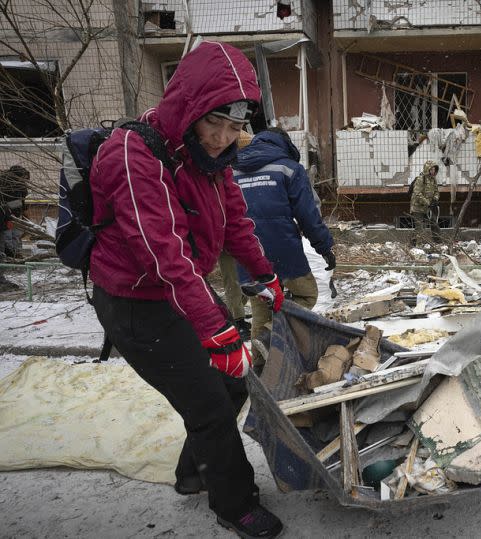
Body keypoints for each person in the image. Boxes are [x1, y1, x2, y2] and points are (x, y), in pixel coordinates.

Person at [87, 42, 285, 538]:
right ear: (191, 107)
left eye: (234, 127)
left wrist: (265, 274)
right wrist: (216, 331)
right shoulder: (133, 154)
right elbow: (163, 254)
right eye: (213, 122)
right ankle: (235, 504)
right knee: (210, 405)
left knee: (232, 380)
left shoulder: (205, 157)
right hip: (136, 302)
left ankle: (192, 472)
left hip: (179, 289)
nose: (222, 138)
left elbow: (236, 222)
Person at [232, 128, 335, 357]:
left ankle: (258, 366)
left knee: (260, 308)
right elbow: (308, 215)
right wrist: (324, 246)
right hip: (283, 248)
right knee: (306, 295)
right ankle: (270, 337)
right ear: (284, 145)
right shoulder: (289, 168)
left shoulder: (233, 170)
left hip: (247, 250)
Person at [409, 160, 441, 245]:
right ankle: (418, 247)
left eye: (435, 169)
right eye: (432, 169)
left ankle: (438, 243)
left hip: (428, 208)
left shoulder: (433, 180)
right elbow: (417, 194)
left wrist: (435, 199)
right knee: (420, 228)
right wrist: (427, 202)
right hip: (417, 208)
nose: (433, 171)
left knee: (434, 224)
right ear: (428, 169)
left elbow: (436, 191)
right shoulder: (420, 179)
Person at [0, 165, 29, 259]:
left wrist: (23, 210)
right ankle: (11, 254)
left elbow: (21, 200)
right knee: (9, 235)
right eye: (24, 177)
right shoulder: (9, 184)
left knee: (15, 235)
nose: (25, 180)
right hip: (8, 216)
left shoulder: (20, 186)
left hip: (14, 215)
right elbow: (11, 203)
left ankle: (15, 253)